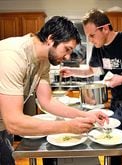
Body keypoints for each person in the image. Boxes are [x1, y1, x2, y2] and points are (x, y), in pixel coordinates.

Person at [0, 16, 108, 165]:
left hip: (3, 127)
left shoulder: (43, 60)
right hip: (7, 124)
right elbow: (14, 122)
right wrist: (67, 127)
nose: (68, 56)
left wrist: (85, 114)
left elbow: (47, 101)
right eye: (67, 49)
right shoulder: (11, 56)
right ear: (51, 39)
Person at [60, 9, 122, 165]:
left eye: (92, 35)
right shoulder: (99, 48)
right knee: (112, 153)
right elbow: (91, 70)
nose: (90, 40)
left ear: (105, 28)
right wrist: (71, 71)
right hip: (115, 108)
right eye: (88, 36)